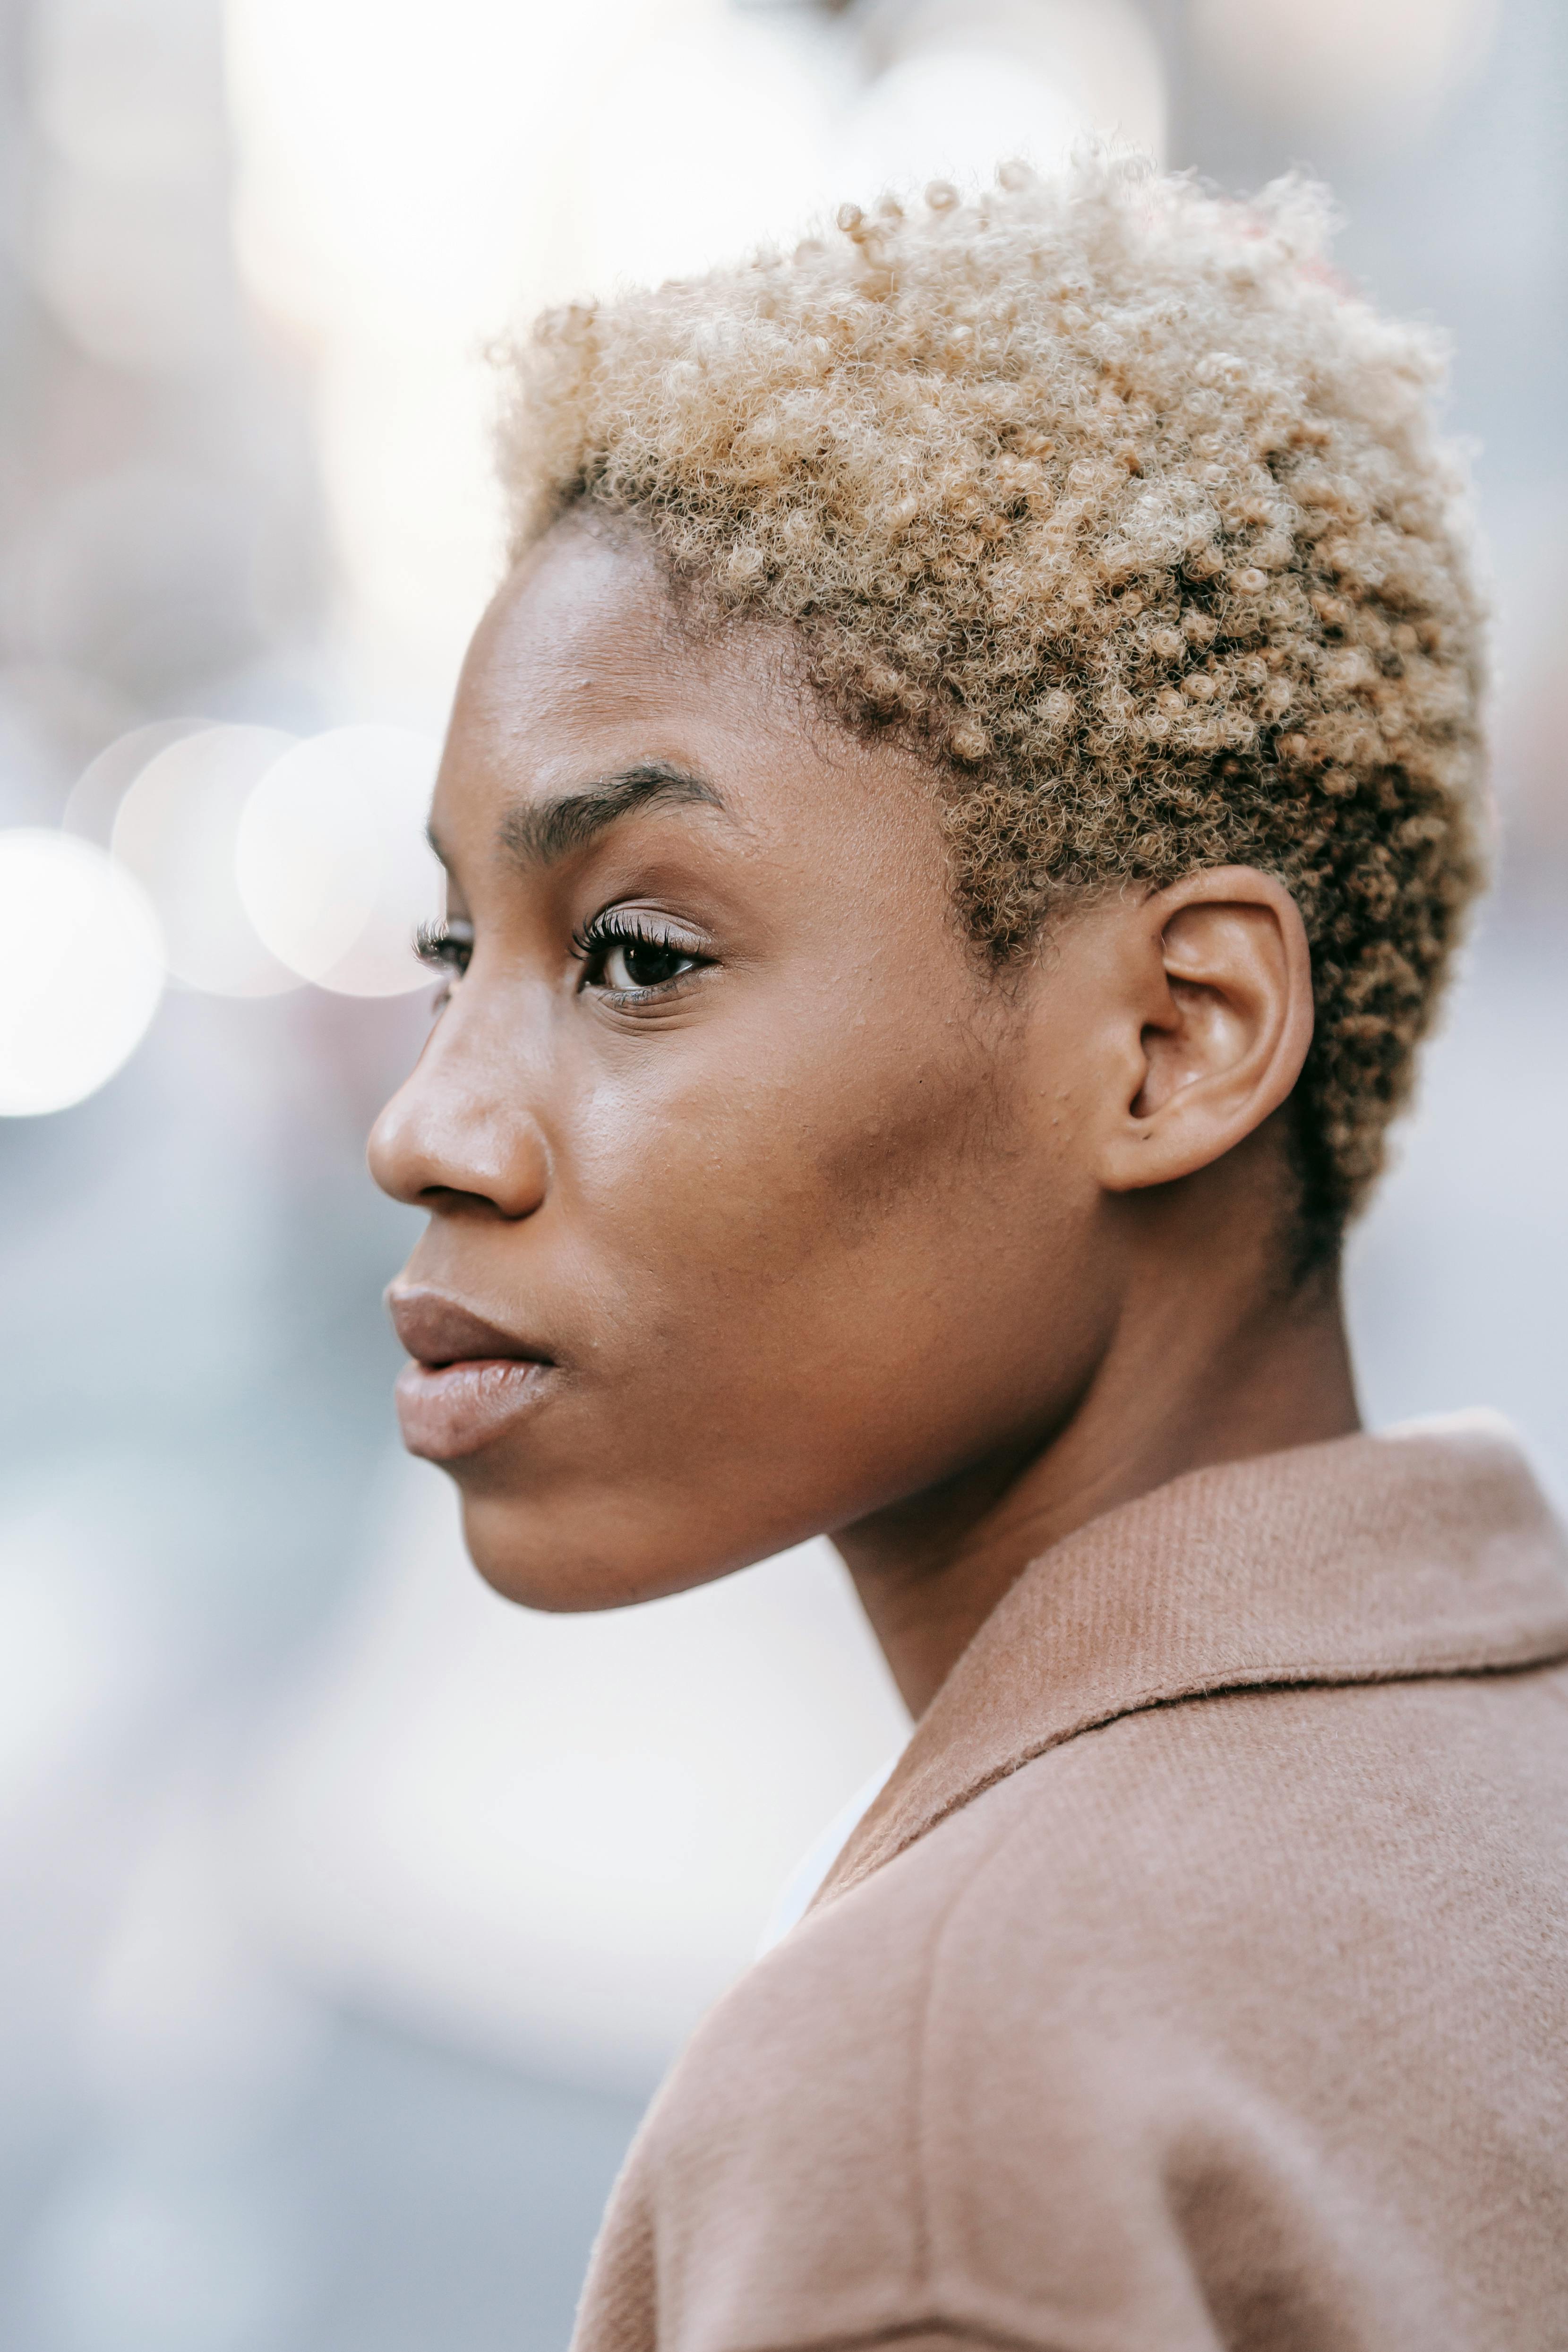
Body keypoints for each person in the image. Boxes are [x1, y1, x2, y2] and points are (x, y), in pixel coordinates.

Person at [368, 159, 1568, 2349]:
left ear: (1172, 1039)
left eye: (632, 951)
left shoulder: (937, 2117)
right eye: (453, 948)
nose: (423, 1122)